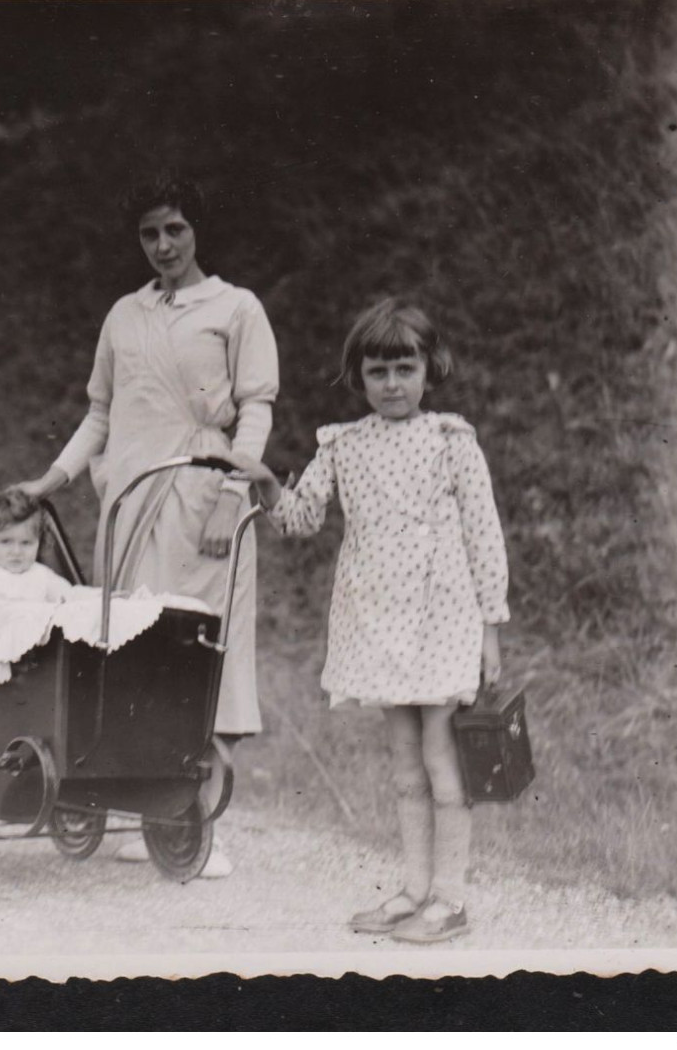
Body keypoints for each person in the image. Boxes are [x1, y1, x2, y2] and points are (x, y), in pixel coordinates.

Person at [16, 175, 280, 878]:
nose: (163, 246)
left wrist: (233, 492)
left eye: (175, 230)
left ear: (197, 231)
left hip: (204, 504)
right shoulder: (123, 315)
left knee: (202, 653)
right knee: (132, 649)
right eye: (149, 234)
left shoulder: (235, 307)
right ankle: (145, 806)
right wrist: (52, 479)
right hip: (130, 500)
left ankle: (199, 819)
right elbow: (101, 414)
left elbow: (255, 408)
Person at [228, 299, 509, 942]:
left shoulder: (451, 442)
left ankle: (451, 896)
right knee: (404, 760)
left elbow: (484, 535)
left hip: (442, 618)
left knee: (442, 755)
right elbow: (300, 520)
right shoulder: (343, 445)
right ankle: (412, 889)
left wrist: (491, 626)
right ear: (359, 376)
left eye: (404, 368)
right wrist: (268, 484)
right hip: (375, 618)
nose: (391, 384)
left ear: (428, 368)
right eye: (378, 371)